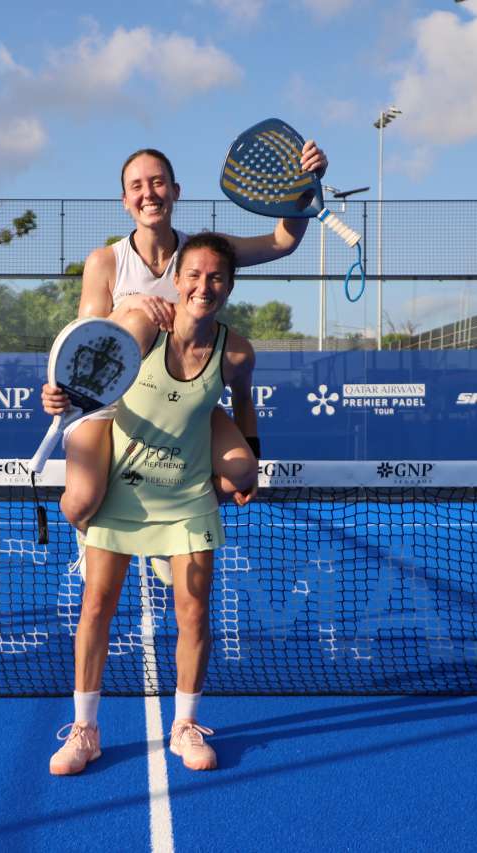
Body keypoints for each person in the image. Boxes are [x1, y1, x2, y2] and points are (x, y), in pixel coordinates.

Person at [61, 142, 328, 585]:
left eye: (158, 182)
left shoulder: (202, 253)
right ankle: (91, 531)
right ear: (125, 200)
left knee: (240, 475)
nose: (149, 193)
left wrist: (303, 185)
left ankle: (168, 530)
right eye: (137, 186)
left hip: (178, 402)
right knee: (82, 502)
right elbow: (86, 346)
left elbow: (282, 241)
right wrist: (131, 310)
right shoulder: (106, 261)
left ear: (176, 191)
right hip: (113, 403)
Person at [45, 233, 255, 775]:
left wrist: (248, 460)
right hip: (120, 486)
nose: (203, 286)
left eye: (216, 278)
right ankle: (85, 732)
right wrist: (57, 395)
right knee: (97, 607)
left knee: (194, 613)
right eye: (193, 275)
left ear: (229, 285)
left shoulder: (236, 351)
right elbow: (84, 374)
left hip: (186, 495)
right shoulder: (143, 329)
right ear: (177, 280)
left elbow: (243, 405)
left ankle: (184, 725)